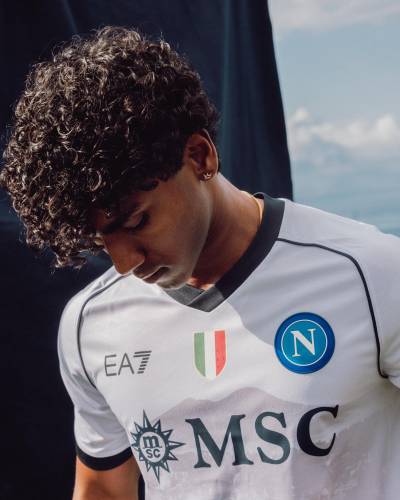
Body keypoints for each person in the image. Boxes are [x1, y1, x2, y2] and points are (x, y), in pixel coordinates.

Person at [2, 25, 400, 500]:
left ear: (199, 155)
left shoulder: (372, 274)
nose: (124, 263)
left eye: (136, 221)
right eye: (100, 240)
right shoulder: (90, 324)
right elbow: (103, 490)